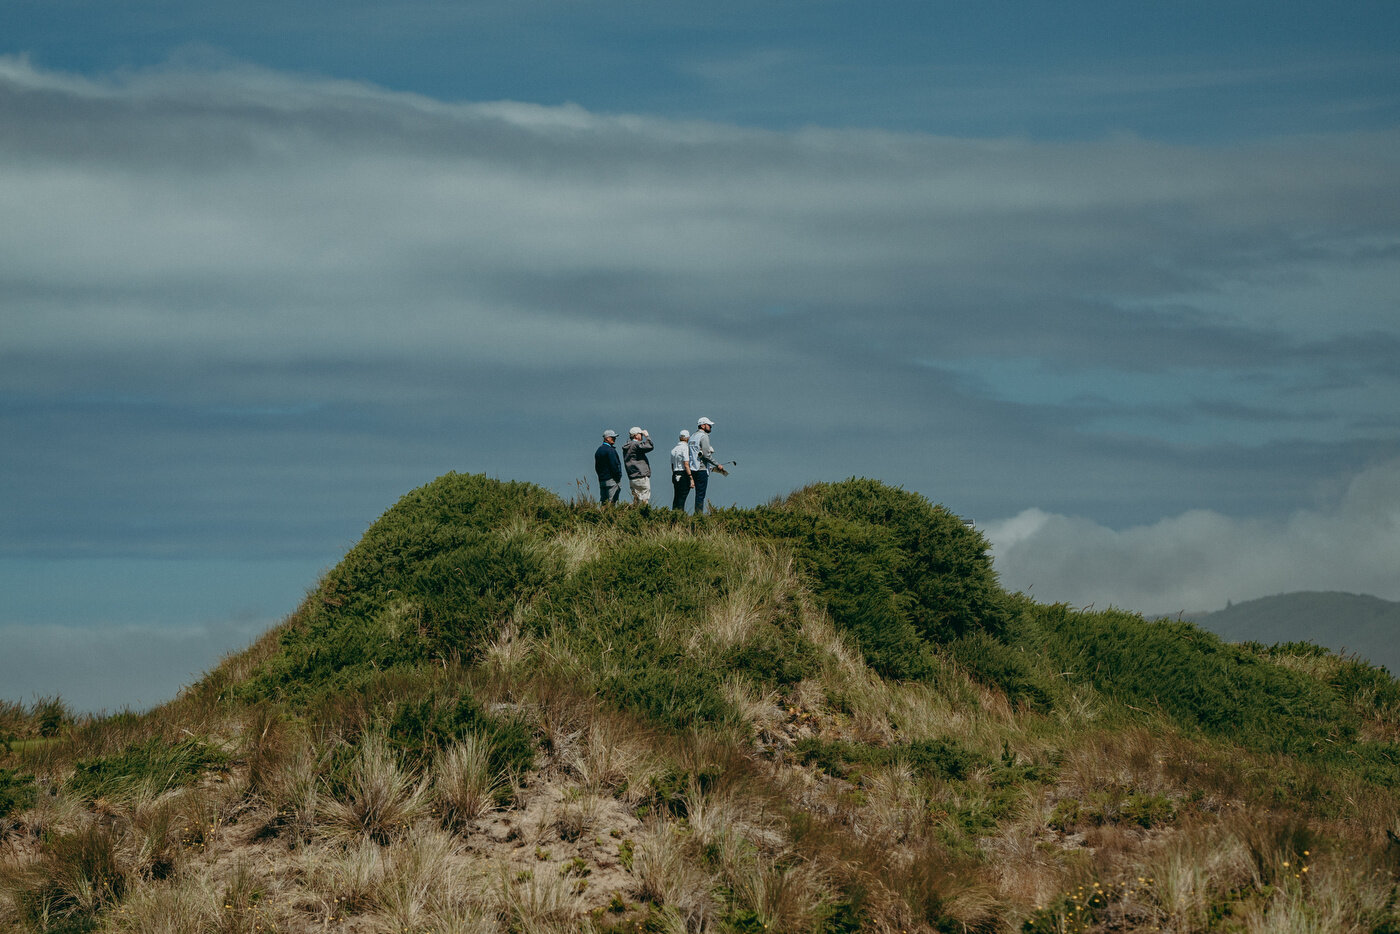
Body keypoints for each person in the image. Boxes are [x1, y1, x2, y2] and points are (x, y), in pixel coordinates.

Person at [687, 416, 724, 514]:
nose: (710, 427)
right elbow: (706, 455)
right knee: (700, 495)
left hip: (692, 468)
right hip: (701, 469)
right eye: (709, 425)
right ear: (703, 425)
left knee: (691, 494)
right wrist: (717, 464)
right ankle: (699, 516)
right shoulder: (704, 436)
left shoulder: (692, 436)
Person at [621, 427, 654, 504]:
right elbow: (650, 446)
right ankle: (643, 515)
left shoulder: (627, 446)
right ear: (636, 436)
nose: (642, 436)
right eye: (640, 434)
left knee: (636, 500)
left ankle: (635, 514)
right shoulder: (636, 444)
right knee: (644, 500)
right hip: (641, 475)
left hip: (632, 477)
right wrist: (647, 436)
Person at [594, 430, 623, 504]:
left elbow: (597, 467)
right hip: (611, 480)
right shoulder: (610, 450)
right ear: (606, 438)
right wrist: (618, 477)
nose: (614, 439)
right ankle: (610, 515)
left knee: (604, 502)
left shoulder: (599, 450)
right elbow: (614, 465)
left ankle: (602, 515)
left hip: (602, 480)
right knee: (612, 502)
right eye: (612, 437)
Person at [670, 430, 693, 511]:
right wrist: (691, 478)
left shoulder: (673, 450)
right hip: (683, 474)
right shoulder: (685, 448)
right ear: (687, 438)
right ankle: (680, 517)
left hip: (675, 473)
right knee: (682, 498)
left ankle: (674, 514)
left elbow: (672, 466)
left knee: (676, 497)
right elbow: (686, 464)